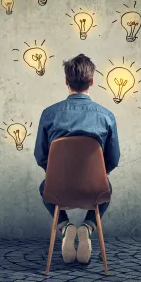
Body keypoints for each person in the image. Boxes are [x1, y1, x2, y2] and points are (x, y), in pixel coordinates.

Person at [34, 54, 120, 265]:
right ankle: (88, 227)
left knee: (44, 188)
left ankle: (65, 227)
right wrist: (96, 174)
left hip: (57, 188)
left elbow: (40, 156)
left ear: (66, 81)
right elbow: (114, 158)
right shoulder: (106, 116)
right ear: (91, 81)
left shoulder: (49, 114)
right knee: (107, 189)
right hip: (95, 188)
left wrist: (57, 174)